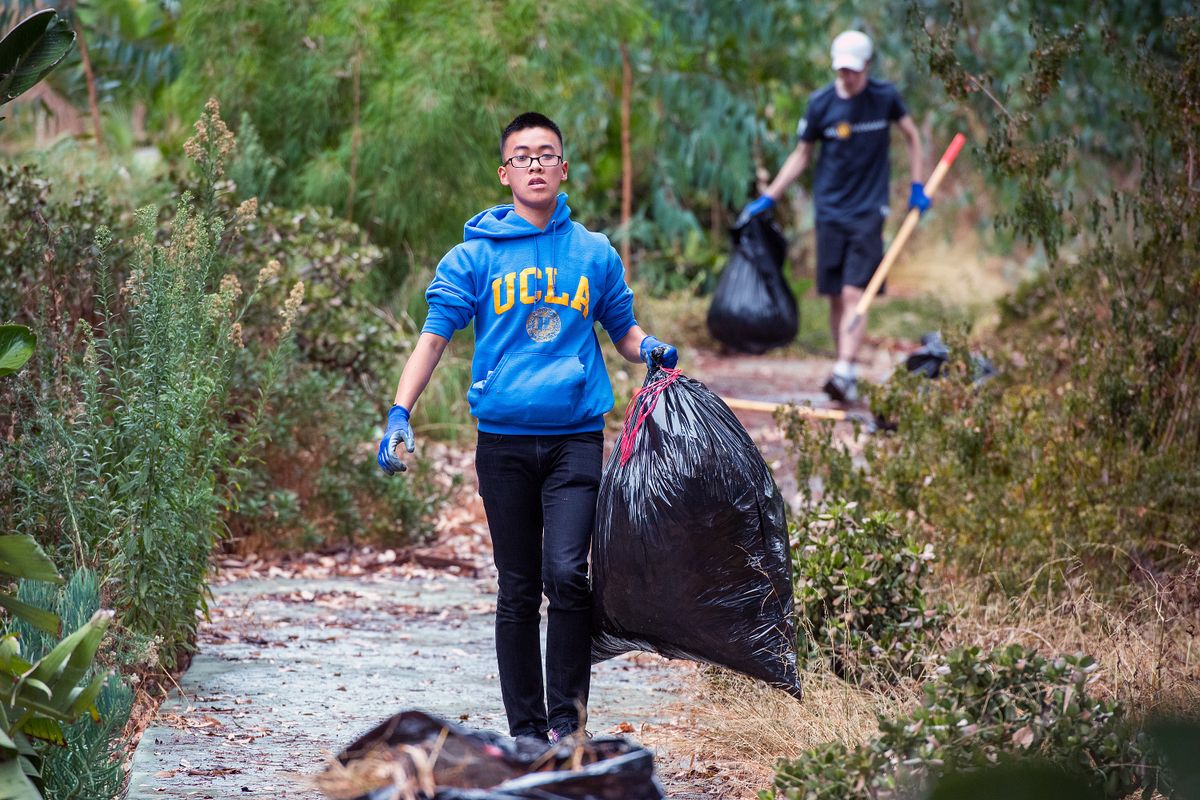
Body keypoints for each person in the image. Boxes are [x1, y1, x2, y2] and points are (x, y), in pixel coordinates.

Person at [376, 112, 678, 745]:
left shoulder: (593, 253)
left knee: (567, 575)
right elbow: (432, 340)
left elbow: (622, 331)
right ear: (504, 172)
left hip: (575, 437)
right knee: (517, 588)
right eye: (522, 155)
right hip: (504, 443)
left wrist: (650, 348)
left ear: (564, 169)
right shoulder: (473, 257)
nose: (535, 164)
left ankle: (567, 726)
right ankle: (527, 732)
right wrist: (400, 411)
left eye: (546, 154)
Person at [741, 30, 928, 403]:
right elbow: (802, 155)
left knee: (855, 291)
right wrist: (770, 196)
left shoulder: (885, 98)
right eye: (842, 70)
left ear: (867, 66)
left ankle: (844, 367)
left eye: (854, 71)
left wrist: (917, 185)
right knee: (835, 296)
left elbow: (912, 136)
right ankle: (847, 373)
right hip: (829, 211)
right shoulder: (821, 104)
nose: (848, 77)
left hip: (869, 210)